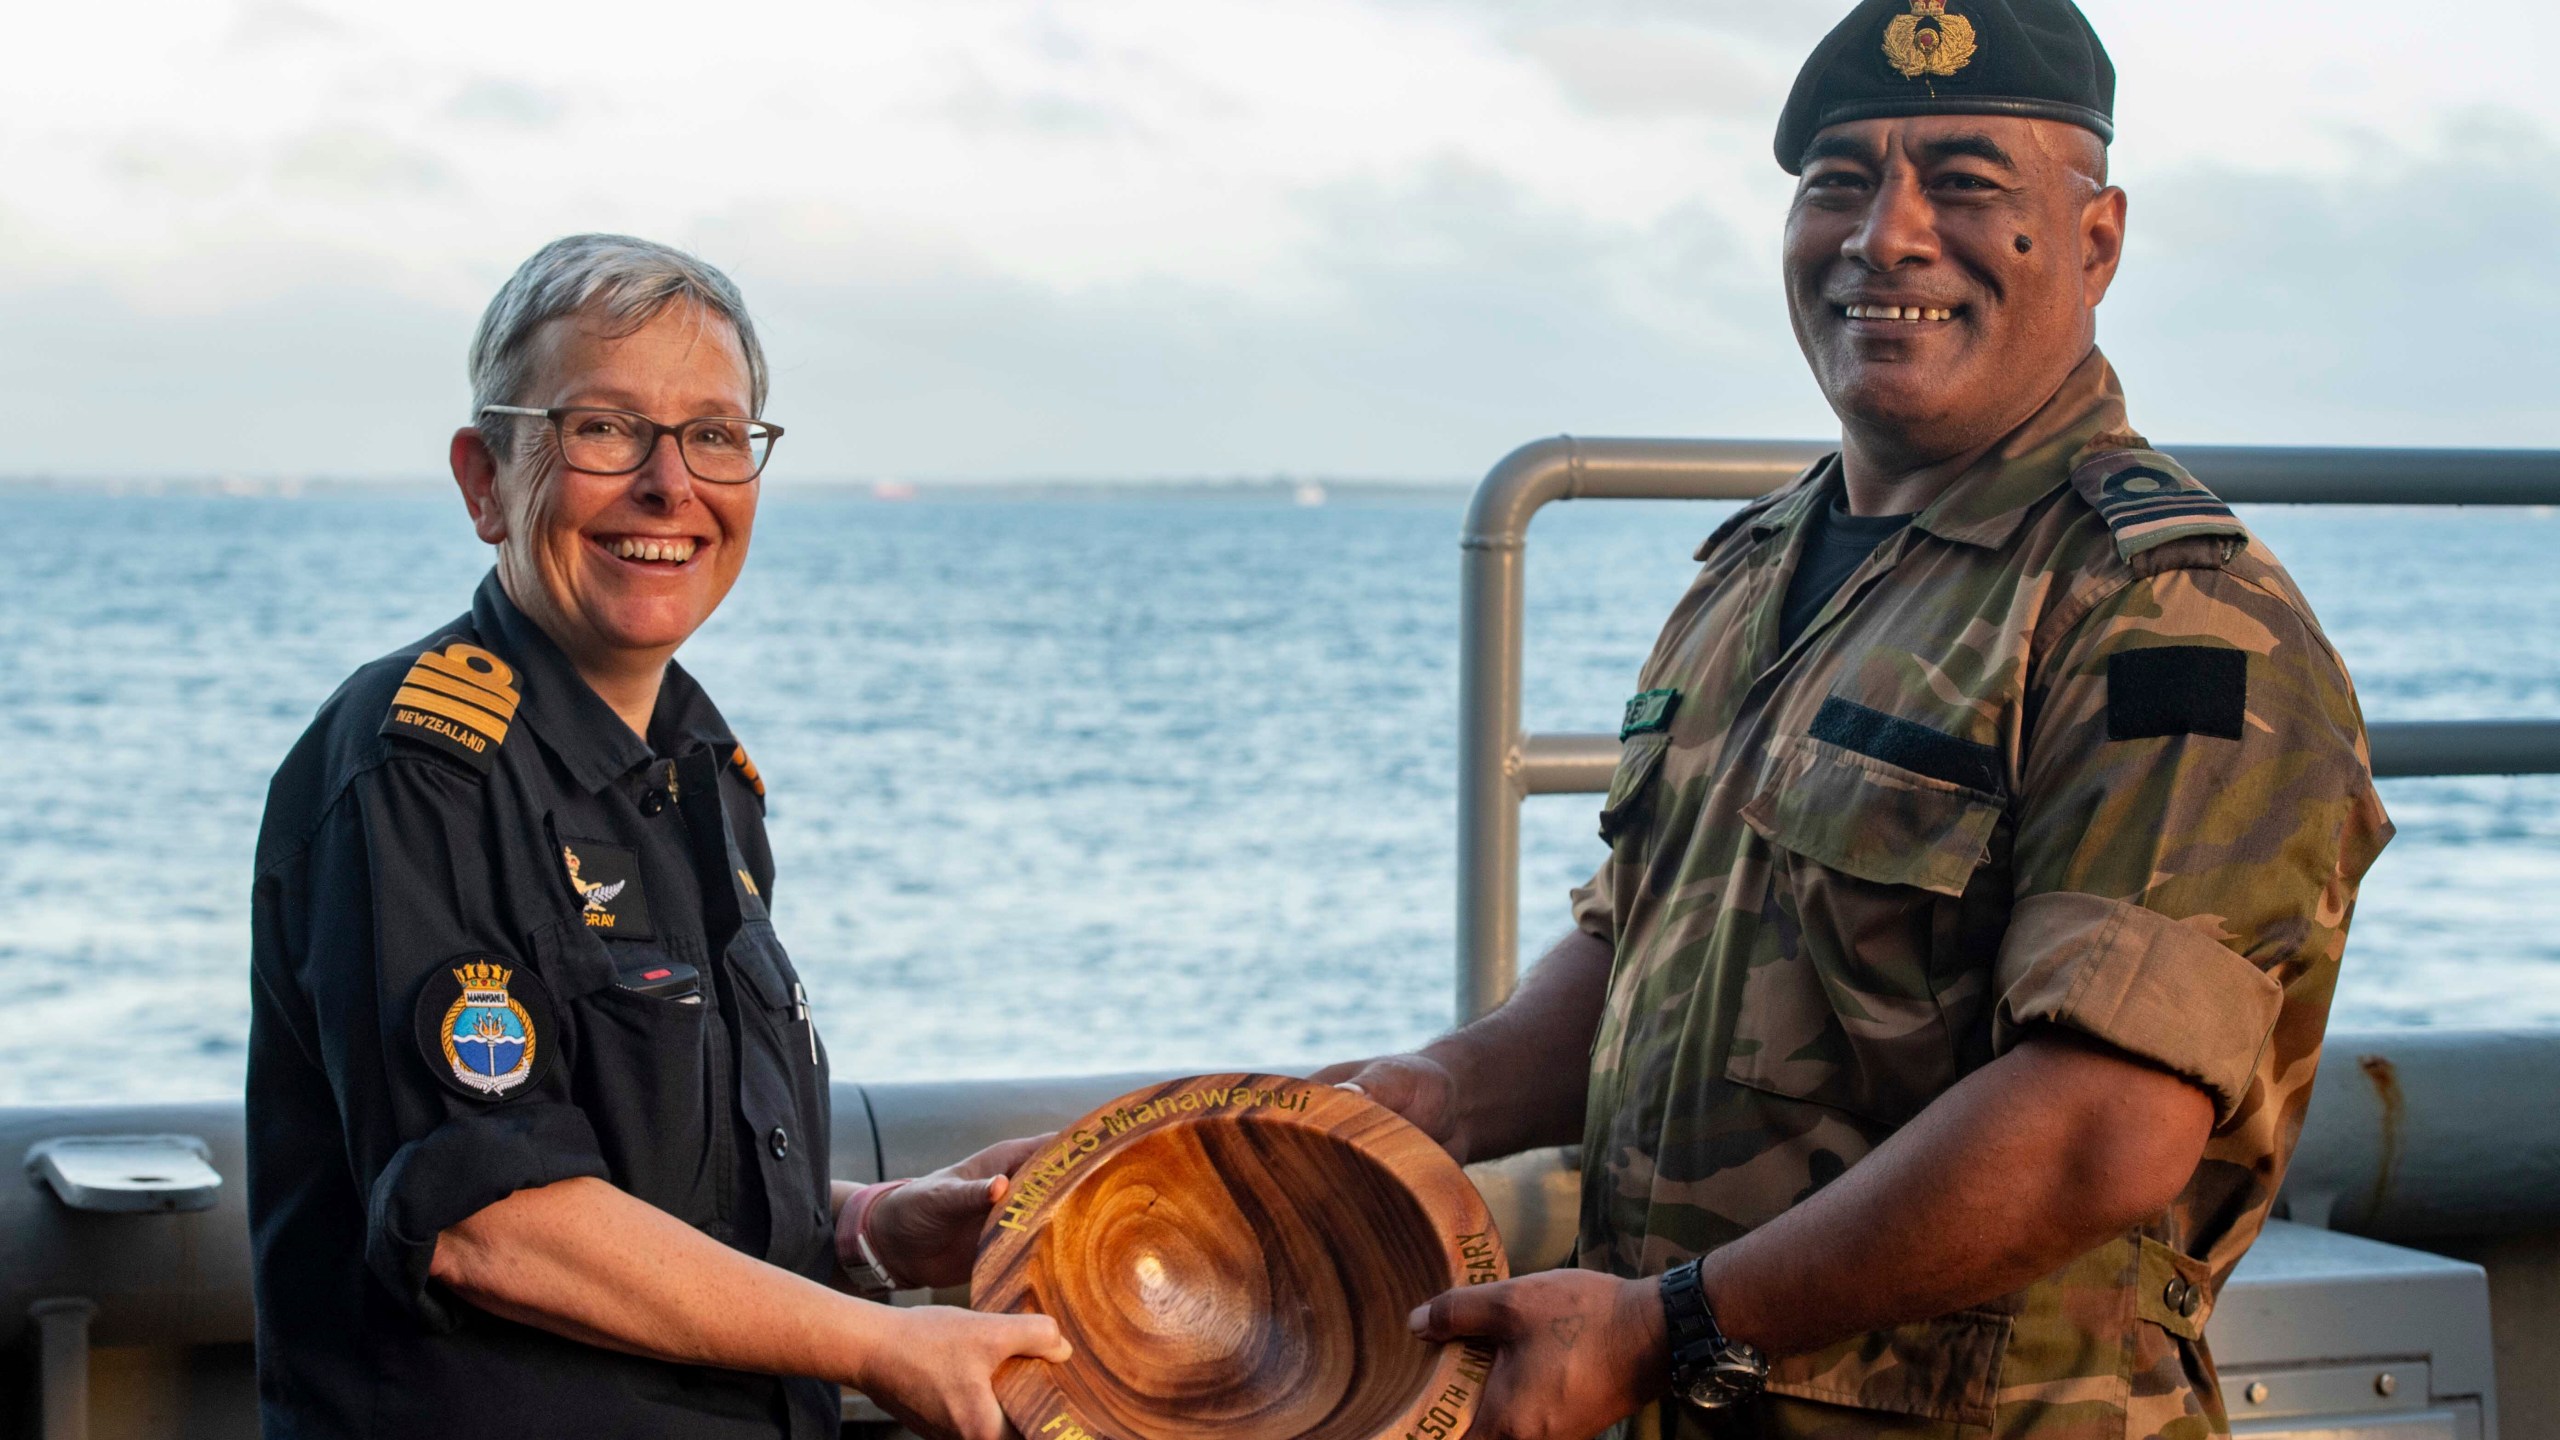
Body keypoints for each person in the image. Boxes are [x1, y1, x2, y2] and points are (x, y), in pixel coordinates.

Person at [1323, 3, 2393, 1436]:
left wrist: (1669, 1327)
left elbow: (2102, 1132)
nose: (1884, 236)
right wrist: (1431, 1099)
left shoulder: (2170, 619)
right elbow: (1641, 939)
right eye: (1837, 181)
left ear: (2096, 241)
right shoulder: (1757, 569)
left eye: (1963, 183)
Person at [246, 233, 1069, 1440]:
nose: (668, 485)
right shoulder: (417, 768)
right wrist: (884, 1347)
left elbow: (650, 1183)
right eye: (604, 429)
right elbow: (492, 1222)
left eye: (715, 435)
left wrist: (862, 1232)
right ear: (484, 481)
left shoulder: (701, 775)